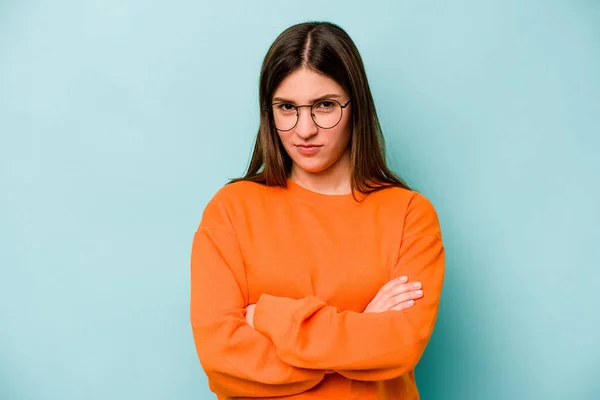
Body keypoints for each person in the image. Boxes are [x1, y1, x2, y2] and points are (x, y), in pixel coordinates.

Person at [190, 21, 445, 399]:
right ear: (269, 112)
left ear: (355, 105)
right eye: (287, 107)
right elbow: (222, 360)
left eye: (324, 106)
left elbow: (399, 346)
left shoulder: (409, 215)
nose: (304, 129)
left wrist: (267, 317)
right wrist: (359, 330)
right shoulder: (231, 210)